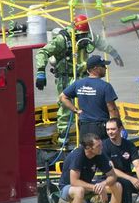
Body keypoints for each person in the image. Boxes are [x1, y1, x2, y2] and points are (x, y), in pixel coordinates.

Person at [35, 14, 124, 142]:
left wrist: (114, 53)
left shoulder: (88, 36)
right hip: (67, 77)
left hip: (83, 76)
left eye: (85, 34)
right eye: (81, 34)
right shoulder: (62, 39)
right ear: (75, 30)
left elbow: (101, 43)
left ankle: (87, 127)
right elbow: (42, 52)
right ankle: (62, 137)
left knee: (90, 104)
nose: (83, 37)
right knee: (65, 107)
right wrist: (40, 71)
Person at [58, 132, 122, 203]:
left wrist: (103, 185)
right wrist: (96, 188)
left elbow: (112, 176)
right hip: (68, 188)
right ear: (88, 148)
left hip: (87, 185)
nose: (102, 147)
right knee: (79, 190)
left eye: (101, 144)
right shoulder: (78, 155)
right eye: (98, 146)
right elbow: (74, 182)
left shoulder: (99, 154)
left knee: (117, 186)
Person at [59, 54, 120, 141]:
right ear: (95, 68)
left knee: (87, 152)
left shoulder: (78, 84)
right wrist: (117, 127)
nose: (105, 68)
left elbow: (62, 97)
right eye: (103, 66)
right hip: (99, 128)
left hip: (83, 127)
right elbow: (112, 109)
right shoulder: (105, 86)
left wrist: (75, 110)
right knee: (101, 152)